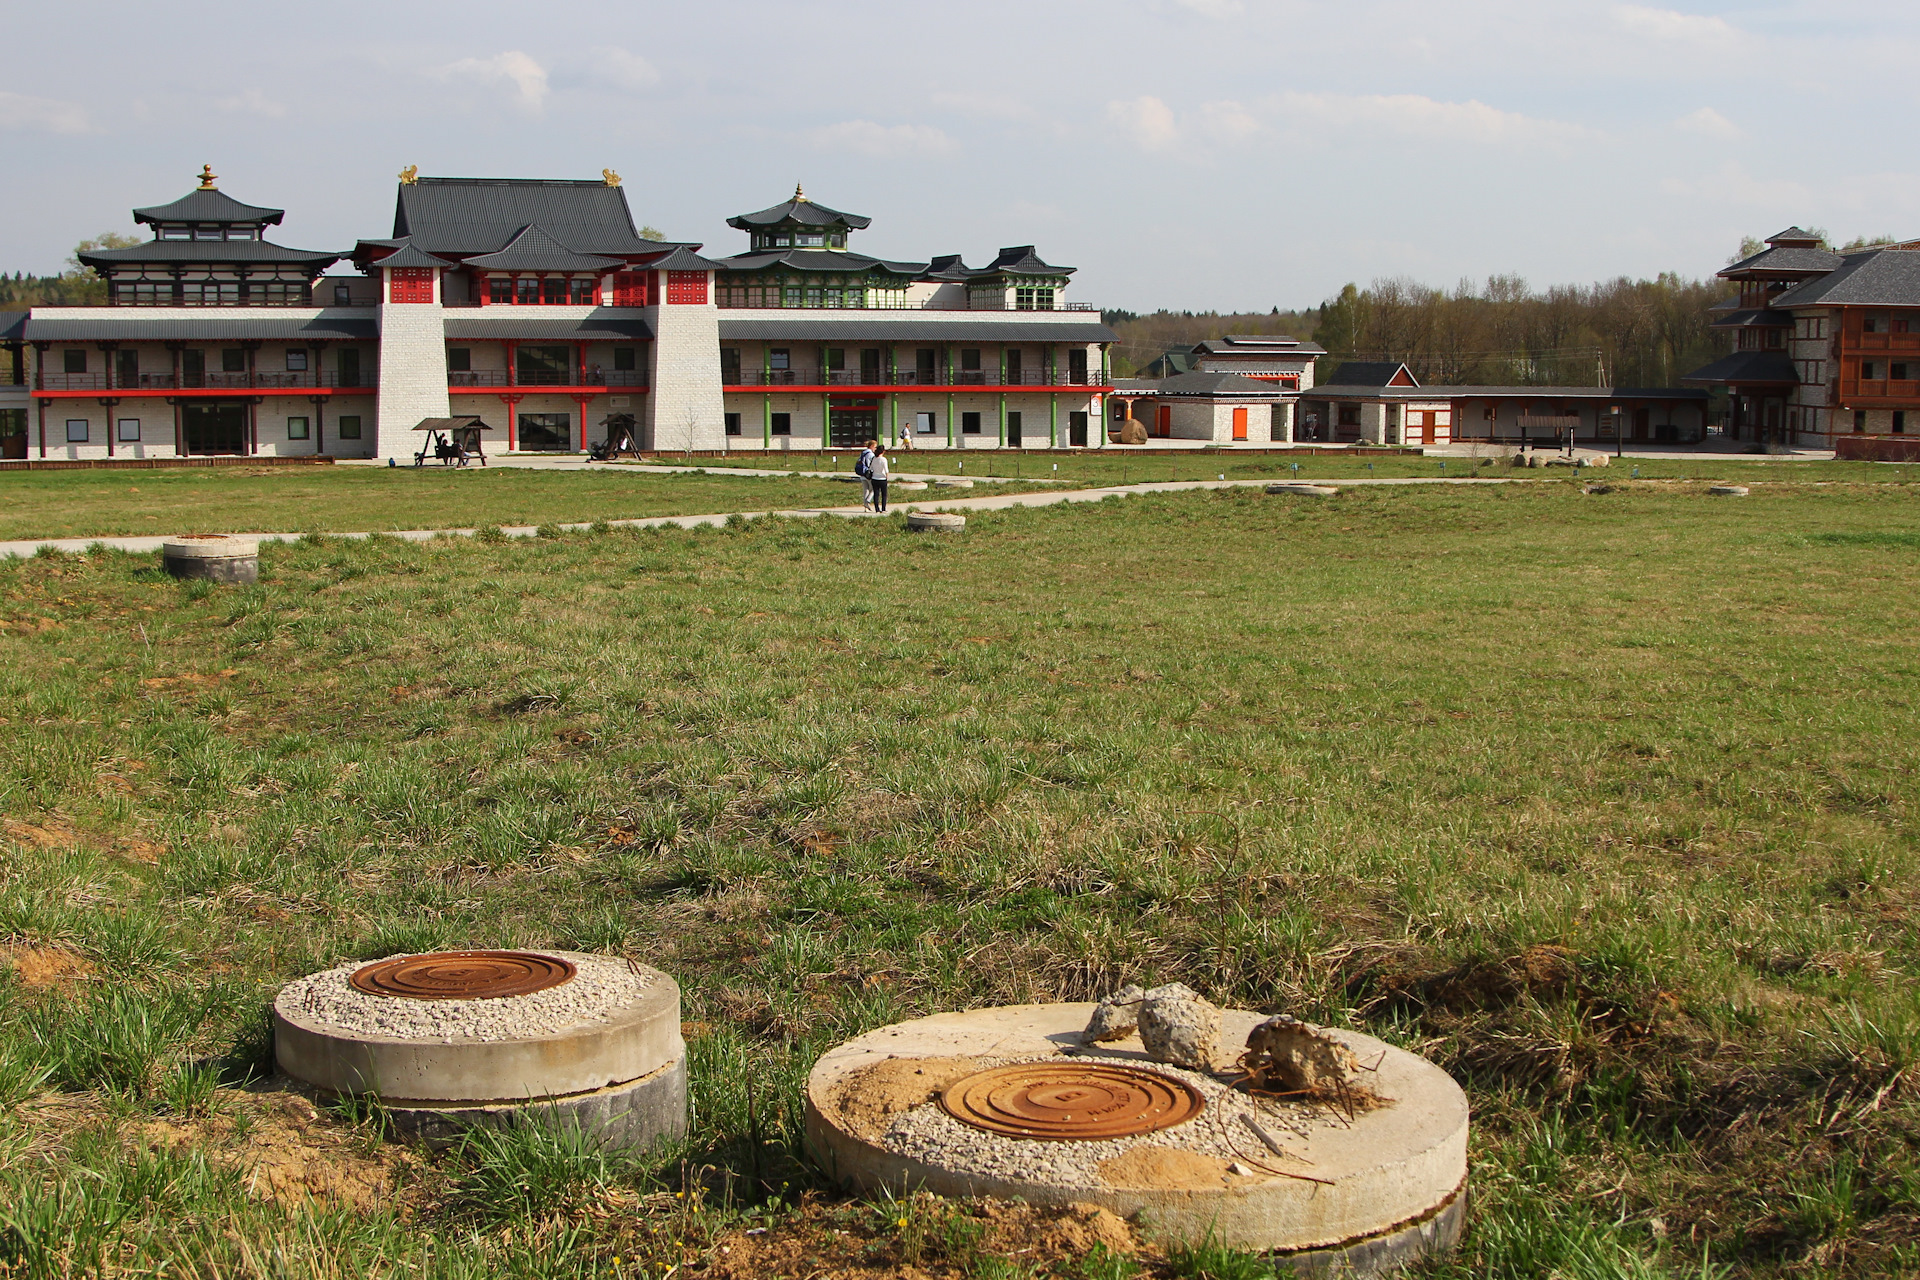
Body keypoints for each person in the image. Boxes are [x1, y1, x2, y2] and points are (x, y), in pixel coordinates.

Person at [856, 437, 877, 510]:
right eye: (875, 447)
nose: (875, 449)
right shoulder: (870, 454)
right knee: (874, 488)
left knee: (866, 490)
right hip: (868, 474)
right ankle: (868, 501)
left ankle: (865, 506)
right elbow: (870, 464)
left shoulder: (863, 453)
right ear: (871, 446)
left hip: (862, 474)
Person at [869, 443, 891, 512]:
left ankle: (877, 509)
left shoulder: (874, 459)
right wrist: (887, 477)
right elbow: (886, 470)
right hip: (882, 478)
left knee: (876, 494)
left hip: (874, 478)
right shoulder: (883, 459)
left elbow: (871, 468)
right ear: (883, 451)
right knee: (884, 494)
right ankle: (883, 508)